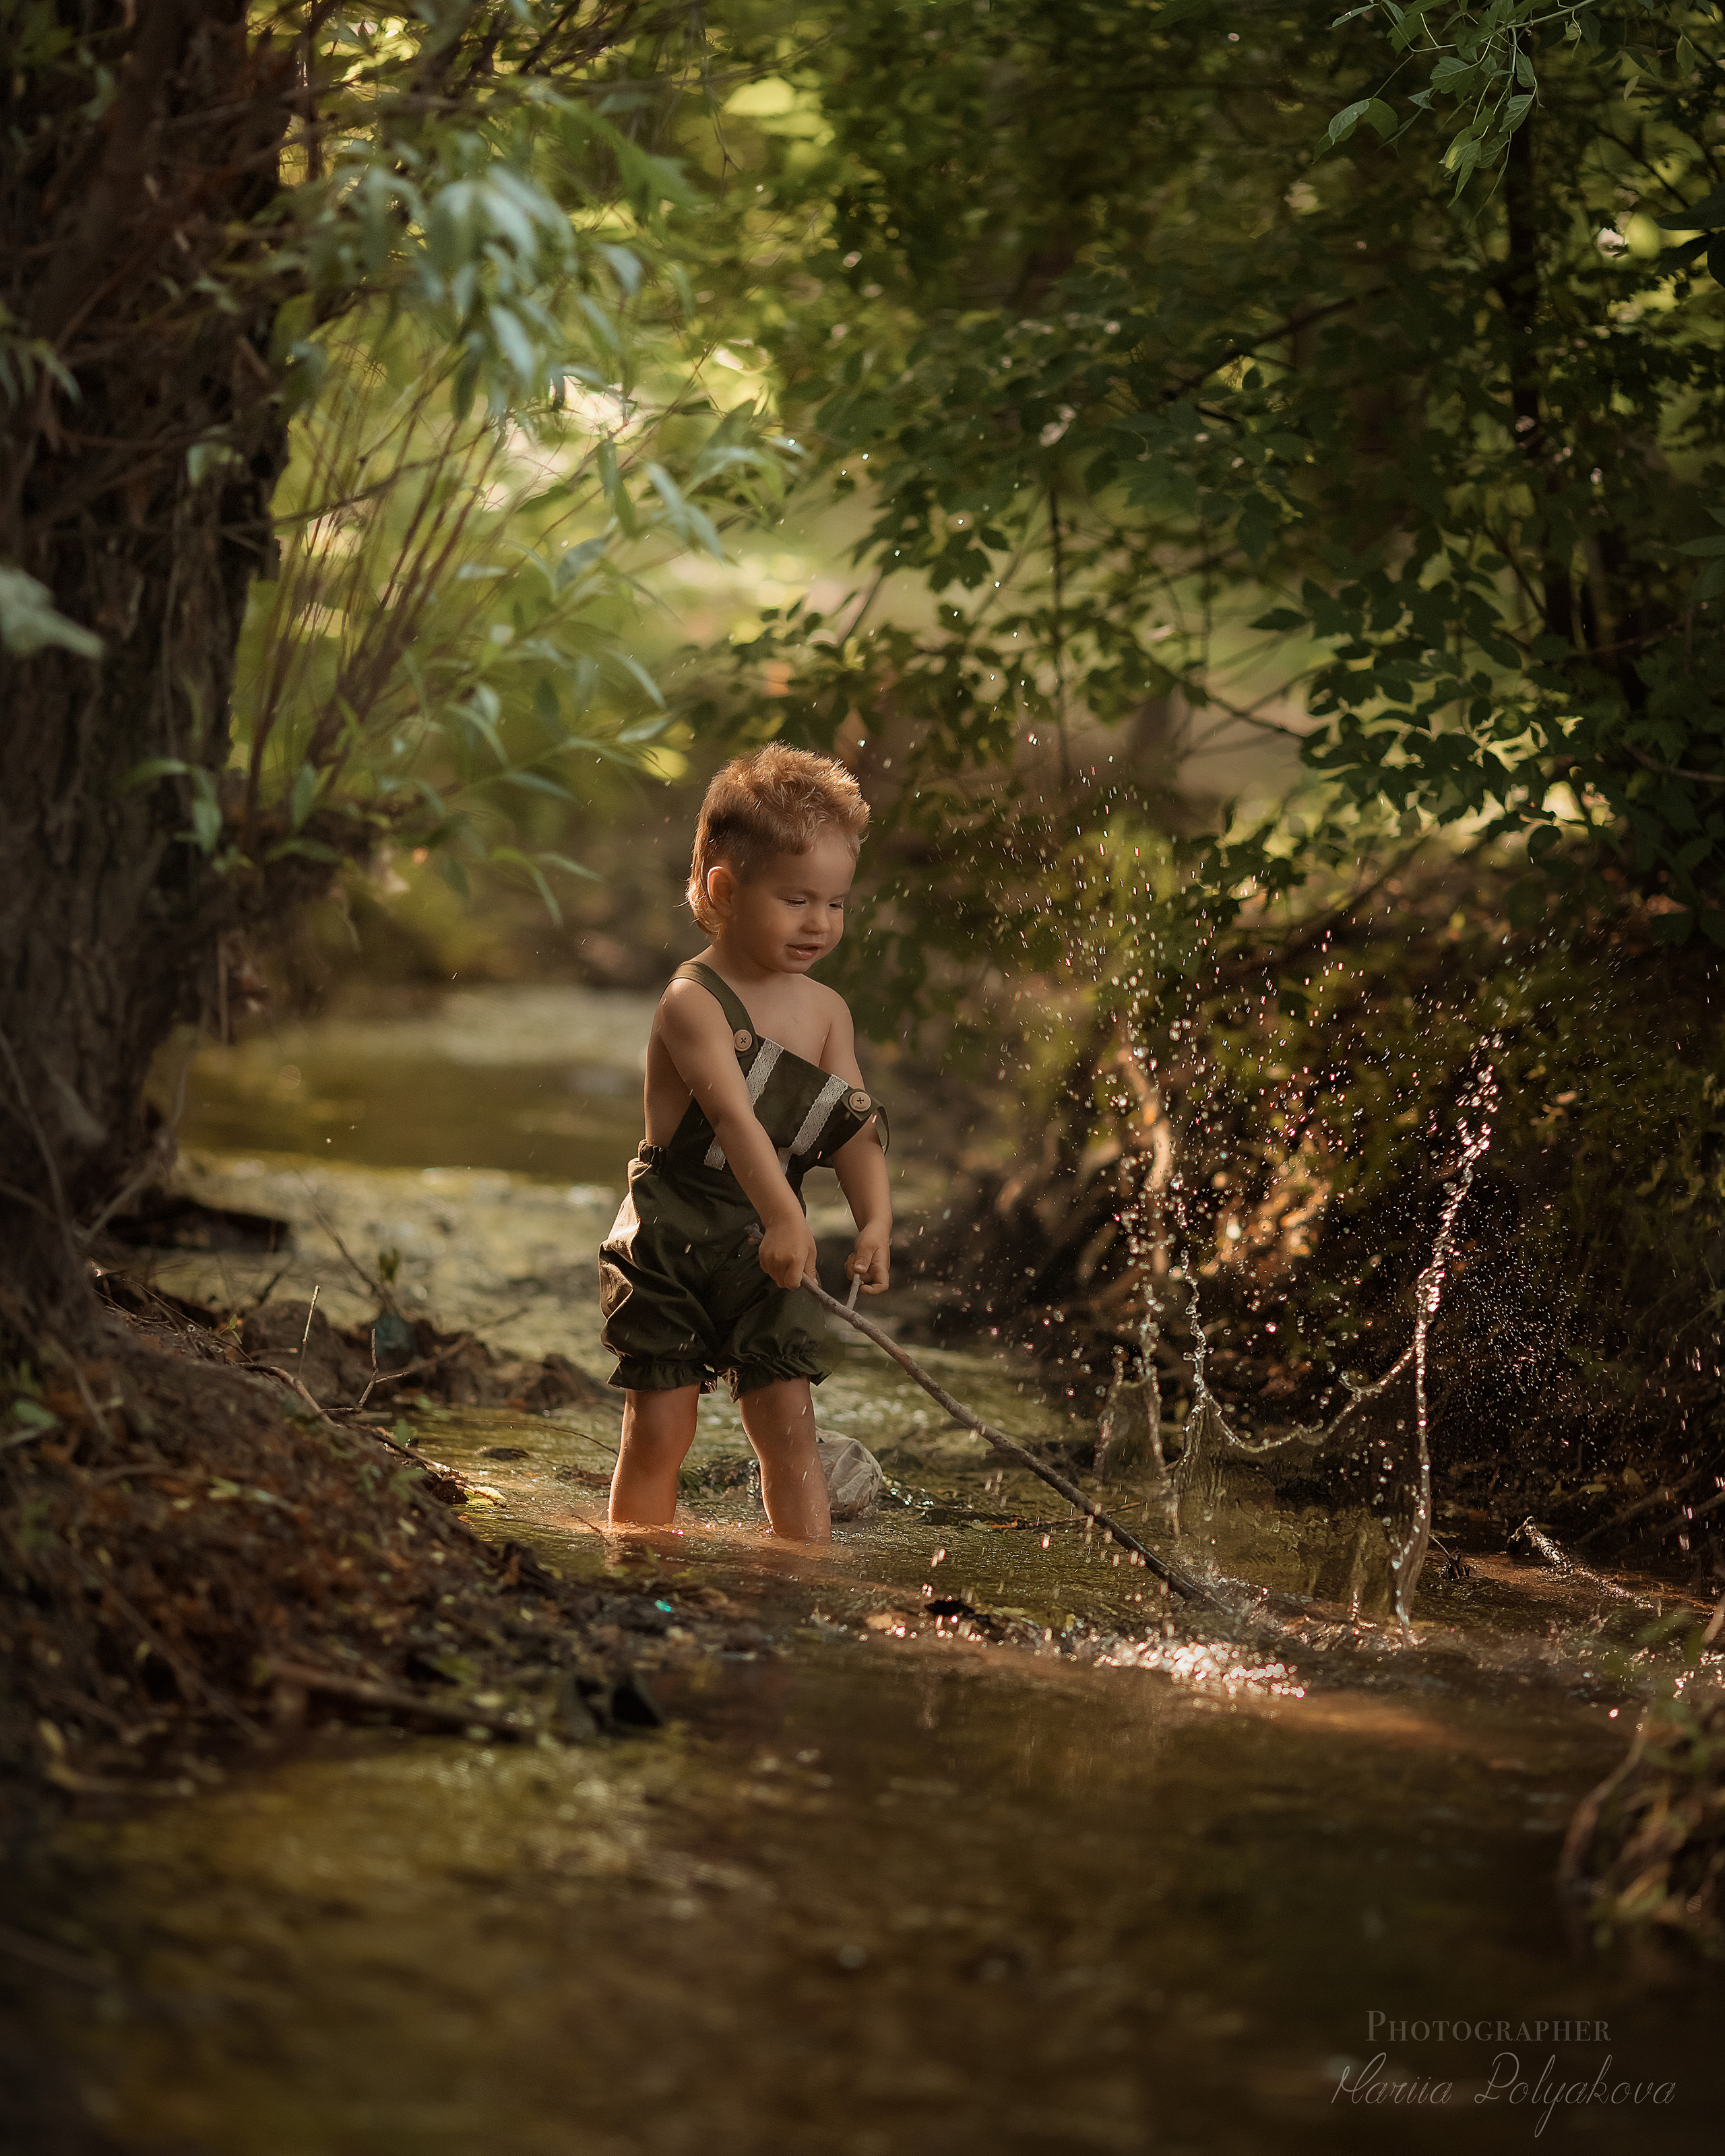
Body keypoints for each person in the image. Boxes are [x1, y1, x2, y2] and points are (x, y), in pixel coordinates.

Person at [598, 745, 891, 1542]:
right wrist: (787, 1217)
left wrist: (873, 1220)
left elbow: (853, 1125)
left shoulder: (828, 1011)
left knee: (788, 1424)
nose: (820, 923)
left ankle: (801, 1573)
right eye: (797, 899)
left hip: (767, 1236)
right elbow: (732, 1118)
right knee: (662, 1425)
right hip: (674, 1233)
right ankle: (640, 1558)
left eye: (836, 904)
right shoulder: (691, 1002)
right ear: (725, 891)